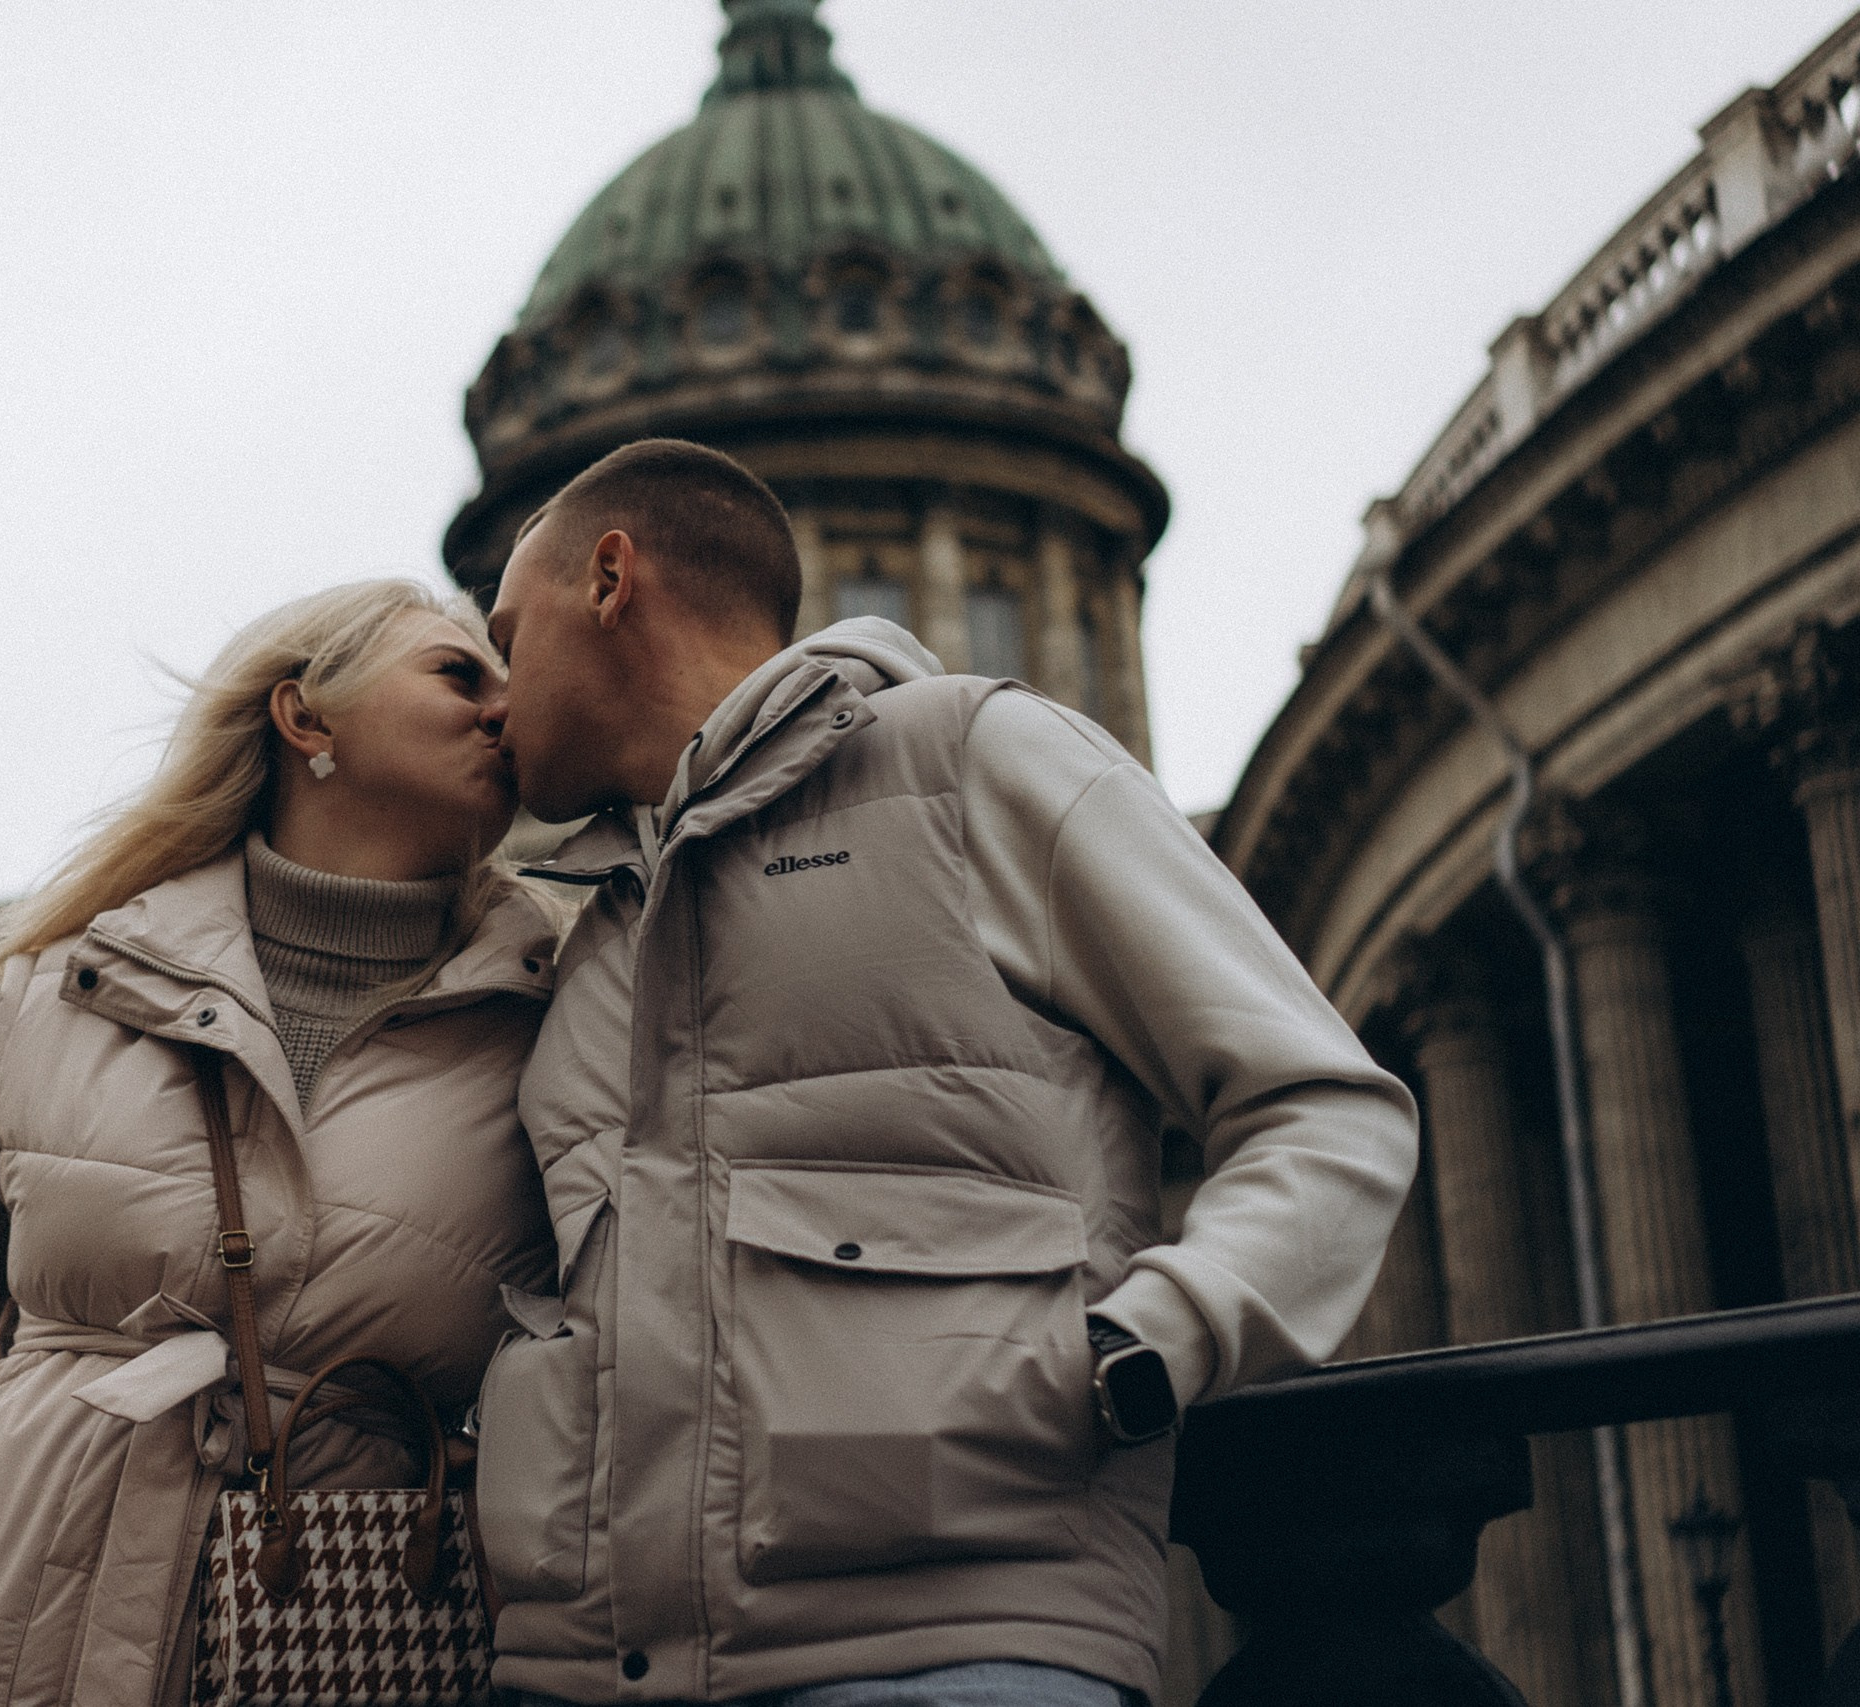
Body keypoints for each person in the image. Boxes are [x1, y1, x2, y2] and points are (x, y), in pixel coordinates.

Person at [471, 439, 1419, 1706]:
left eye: (505, 628)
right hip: (595, 1678)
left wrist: (1139, 1349)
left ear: (609, 578)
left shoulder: (972, 762)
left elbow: (1327, 1112)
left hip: (954, 1652)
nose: (494, 684)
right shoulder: (585, 939)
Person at [0, 579, 560, 1707]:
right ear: (306, 720)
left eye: (514, 682)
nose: (507, 707)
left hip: (328, 1630)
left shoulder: (553, 1011)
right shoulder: (79, 980)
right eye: (458, 673)